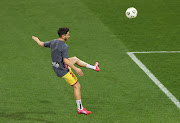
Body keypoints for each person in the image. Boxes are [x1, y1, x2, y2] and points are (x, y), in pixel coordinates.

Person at [32, 27, 100, 115]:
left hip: (56, 66)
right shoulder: (64, 46)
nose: (69, 36)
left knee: (75, 59)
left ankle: (94, 67)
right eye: (68, 35)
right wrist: (76, 69)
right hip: (63, 70)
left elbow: (41, 44)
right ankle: (80, 108)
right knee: (77, 86)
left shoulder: (53, 42)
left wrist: (37, 40)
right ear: (63, 36)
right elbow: (66, 61)